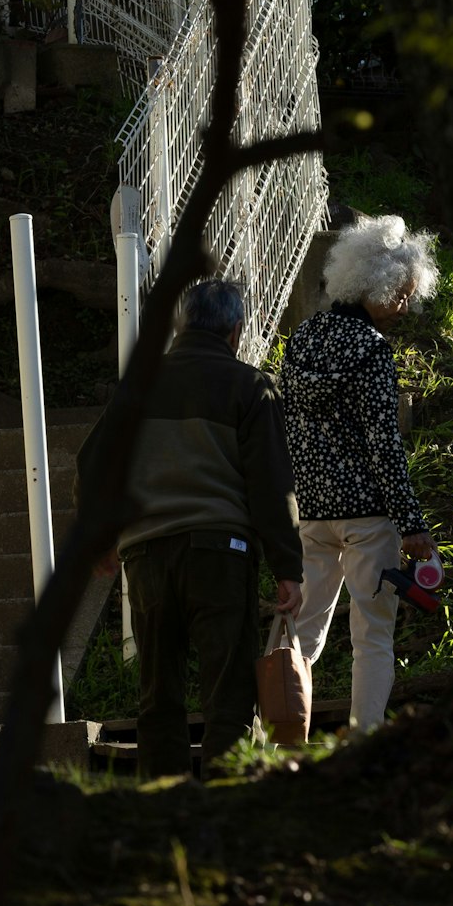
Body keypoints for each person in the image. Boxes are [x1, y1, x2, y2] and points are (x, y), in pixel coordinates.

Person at [92, 276, 303, 779]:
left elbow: (93, 465)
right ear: (235, 331)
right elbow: (271, 484)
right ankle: (226, 799)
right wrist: (287, 567)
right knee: (228, 692)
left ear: (181, 327)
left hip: (146, 555)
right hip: (220, 552)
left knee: (158, 692)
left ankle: (163, 802)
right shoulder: (250, 386)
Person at [280, 213, 439, 732]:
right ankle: (365, 740)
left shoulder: (301, 340)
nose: (405, 307)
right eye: (401, 295)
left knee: (301, 630)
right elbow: (384, 445)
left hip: (312, 513)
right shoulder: (371, 350)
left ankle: (278, 735)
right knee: (372, 636)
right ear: (378, 284)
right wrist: (411, 523)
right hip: (368, 518)